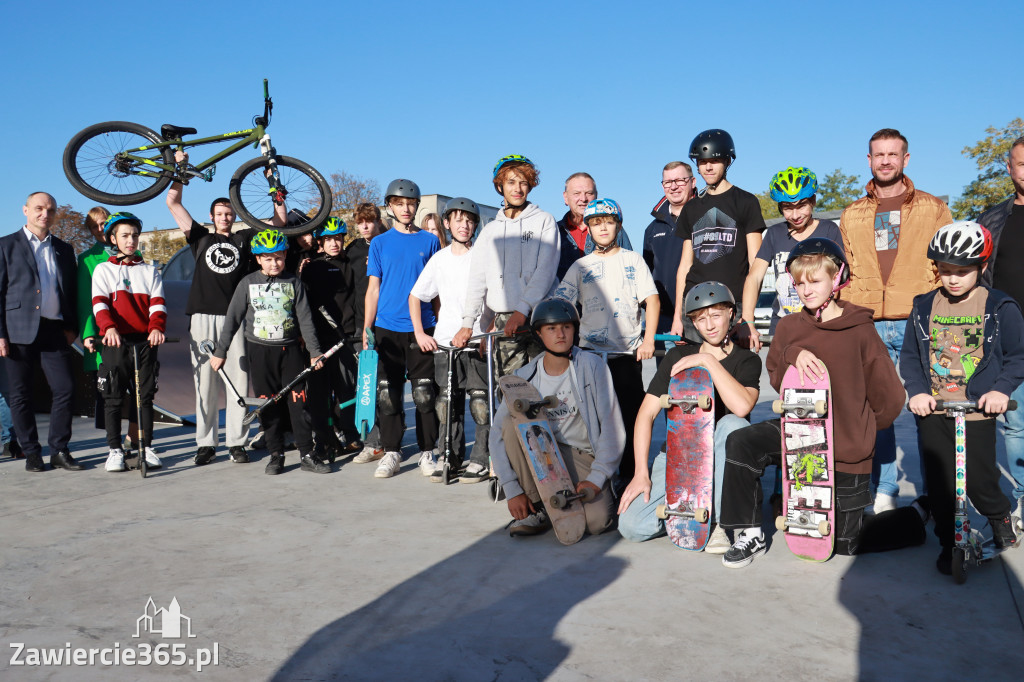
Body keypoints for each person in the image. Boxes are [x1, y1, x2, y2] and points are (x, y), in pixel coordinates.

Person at [719, 238, 915, 568]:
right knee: (741, 441)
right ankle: (747, 531)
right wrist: (793, 354)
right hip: (801, 437)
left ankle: (915, 516)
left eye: (815, 281)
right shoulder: (790, 326)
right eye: (799, 283)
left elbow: (892, 399)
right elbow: (778, 378)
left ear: (837, 279)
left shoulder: (860, 330)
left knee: (842, 545)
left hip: (846, 450)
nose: (806, 290)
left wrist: (860, 433)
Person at [838, 128, 954, 513]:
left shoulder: (932, 207)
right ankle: (884, 489)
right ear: (868, 160)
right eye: (878, 154)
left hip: (916, 320)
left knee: (930, 408)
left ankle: (938, 492)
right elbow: (845, 269)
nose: (885, 160)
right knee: (878, 410)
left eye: (893, 154)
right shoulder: (852, 213)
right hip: (867, 321)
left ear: (906, 159)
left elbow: (945, 262)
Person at [901, 221, 1024, 574]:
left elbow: (1017, 355)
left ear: (982, 267)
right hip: (935, 410)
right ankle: (949, 542)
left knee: (979, 480)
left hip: (976, 411)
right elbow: (910, 356)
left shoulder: (999, 307)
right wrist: (918, 390)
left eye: (963, 271)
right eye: (946, 271)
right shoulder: (924, 307)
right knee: (941, 486)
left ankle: (999, 515)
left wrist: (1001, 389)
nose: (953, 279)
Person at [618, 281, 761, 552]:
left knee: (732, 424)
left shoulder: (747, 361)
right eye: (700, 318)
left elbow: (742, 407)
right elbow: (646, 415)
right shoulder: (677, 356)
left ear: (731, 313)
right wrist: (640, 473)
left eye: (716, 315)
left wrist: (707, 361)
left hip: (721, 459)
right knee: (632, 525)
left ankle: (721, 522)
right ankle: (691, 509)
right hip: (679, 454)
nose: (709, 325)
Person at [166, 151, 276, 466]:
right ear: (212, 217)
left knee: (239, 379)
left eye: (228, 213)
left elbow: (278, 221)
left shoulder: (245, 238)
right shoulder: (199, 238)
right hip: (202, 316)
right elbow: (172, 203)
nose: (224, 217)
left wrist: (272, 182)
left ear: (234, 216)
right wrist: (179, 169)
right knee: (205, 380)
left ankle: (236, 443)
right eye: (219, 213)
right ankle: (205, 444)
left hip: (237, 317)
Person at [489, 298, 625, 538]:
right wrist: (512, 490)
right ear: (539, 334)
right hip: (541, 453)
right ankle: (538, 506)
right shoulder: (524, 376)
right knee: (511, 424)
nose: (560, 334)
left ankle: (579, 495)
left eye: (566, 327)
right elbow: (496, 434)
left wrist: (597, 478)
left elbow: (612, 428)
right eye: (551, 328)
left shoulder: (592, 367)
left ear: (575, 329)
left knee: (597, 523)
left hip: (582, 456)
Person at [554, 198, 658, 486]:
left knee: (629, 414)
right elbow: (562, 303)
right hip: (590, 355)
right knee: (592, 417)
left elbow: (651, 299)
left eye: (609, 222)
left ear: (618, 226)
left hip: (626, 353)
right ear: (588, 229)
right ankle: (594, 473)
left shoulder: (632, 260)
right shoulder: (581, 265)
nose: (603, 228)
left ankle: (631, 474)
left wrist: (648, 339)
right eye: (596, 223)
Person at [210, 229, 328, 475]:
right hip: (261, 353)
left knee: (299, 405)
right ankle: (276, 454)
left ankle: (307, 453)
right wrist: (220, 351)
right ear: (258, 259)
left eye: (278, 257)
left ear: (285, 256)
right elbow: (232, 319)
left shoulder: (294, 283)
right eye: (268, 258)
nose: (274, 263)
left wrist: (315, 352)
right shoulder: (248, 283)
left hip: (292, 353)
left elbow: (306, 321)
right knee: (269, 405)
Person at [452, 155, 560, 376]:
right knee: (513, 390)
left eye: (523, 182)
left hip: (542, 314)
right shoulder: (490, 231)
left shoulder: (544, 221)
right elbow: (478, 280)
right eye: (511, 182)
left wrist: (522, 310)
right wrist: (469, 324)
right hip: (504, 320)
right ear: (500, 186)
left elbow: (546, 271)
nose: (518, 188)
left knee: (549, 386)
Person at [410, 197, 492, 482]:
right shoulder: (439, 259)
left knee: (480, 404)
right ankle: (452, 457)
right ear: (447, 223)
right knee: (447, 405)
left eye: (470, 221)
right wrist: (421, 333)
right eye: (458, 220)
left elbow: (492, 299)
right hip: (445, 342)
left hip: (478, 340)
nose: (465, 225)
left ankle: (480, 458)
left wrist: (488, 330)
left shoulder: (483, 256)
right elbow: (416, 295)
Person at [363, 179, 440, 479]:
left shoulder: (430, 241)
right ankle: (392, 451)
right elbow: (373, 288)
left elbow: (436, 290)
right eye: (399, 203)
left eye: (410, 203)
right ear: (390, 206)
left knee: (424, 394)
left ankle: (427, 452)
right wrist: (366, 328)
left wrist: (441, 323)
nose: (406, 208)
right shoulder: (380, 242)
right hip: (387, 327)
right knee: (388, 394)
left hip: (423, 326)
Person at [0, 192, 81, 473]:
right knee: (20, 395)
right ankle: (31, 452)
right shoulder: (5, 246)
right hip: (16, 331)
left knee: (65, 389)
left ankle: (59, 450)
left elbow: (70, 292)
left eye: (50, 210)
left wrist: (73, 328)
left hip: (55, 330)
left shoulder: (63, 248)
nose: (44, 214)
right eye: (38, 208)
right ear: (25, 210)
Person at [671, 129, 765, 341]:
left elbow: (756, 264)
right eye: (703, 162)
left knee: (733, 371)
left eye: (715, 160)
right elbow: (684, 266)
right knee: (697, 372)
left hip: (733, 306)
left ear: (728, 161)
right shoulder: (691, 208)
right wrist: (678, 316)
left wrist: (748, 317)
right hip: (694, 306)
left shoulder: (746, 202)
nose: (709, 167)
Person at [91, 212, 167, 472]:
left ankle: (145, 446)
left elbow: (158, 304)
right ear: (113, 238)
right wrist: (108, 327)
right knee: (112, 398)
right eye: (124, 235)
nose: (131, 240)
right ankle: (114, 450)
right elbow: (99, 303)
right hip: (115, 342)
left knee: (143, 397)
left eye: (134, 235)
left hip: (144, 343)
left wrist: (156, 328)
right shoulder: (104, 269)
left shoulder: (149, 271)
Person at [741, 167, 844, 350]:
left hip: (821, 325)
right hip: (783, 327)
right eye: (788, 208)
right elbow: (754, 277)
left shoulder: (829, 230)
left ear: (813, 201)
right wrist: (747, 321)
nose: (795, 215)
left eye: (801, 205)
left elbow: (840, 279)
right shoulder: (774, 234)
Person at [977, 135, 1024, 520]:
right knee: (1016, 425)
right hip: (1010, 339)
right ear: (1009, 169)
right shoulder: (991, 219)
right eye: (1022, 163)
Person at [77, 206, 141, 443]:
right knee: (109, 391)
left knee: (137, 389)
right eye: (94, 226)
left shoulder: (136, 257)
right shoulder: (86, 260)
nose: (100, 229)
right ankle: (112, 442)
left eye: (103, 223)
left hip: (133, 333)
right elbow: (85, 301)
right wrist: (88, 335)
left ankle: (135, 436)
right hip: (104, 335)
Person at [300, 217, 359, 457]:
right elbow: (304, 304)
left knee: (346, 389)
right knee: (319, 391)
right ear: (320, 242)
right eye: (328, 239)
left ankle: (349, 433)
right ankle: (324, 435)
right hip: (319, 338)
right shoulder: (311, 266)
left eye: (338, 238)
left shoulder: (351, 264)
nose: (334, 243)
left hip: (345, 335)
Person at [348, 203, 387, 462]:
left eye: (369, 221)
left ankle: (385, 441)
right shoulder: (353, 250)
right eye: (360, 222)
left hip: (386, 323)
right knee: (366, 387)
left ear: (377, 221)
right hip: (360, 326)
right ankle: (372, 442)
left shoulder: (387, 244)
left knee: (385, 386)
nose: (365, 226)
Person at [643, 162, 697, 334]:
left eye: (680, 180)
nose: (673, 187)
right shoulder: (652, 229)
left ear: (693, 182)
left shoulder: (705, 219)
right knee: (667, 362)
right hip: (663, 318)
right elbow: (647, 273)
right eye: (668, 182)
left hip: (700, 313)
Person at [555, 173, 632, 280]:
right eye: (576, 193)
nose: (583, 199)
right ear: (566, 197)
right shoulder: (553, 232)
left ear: (596, 196)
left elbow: (630, 268)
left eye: (589, 193)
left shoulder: (614, 230)